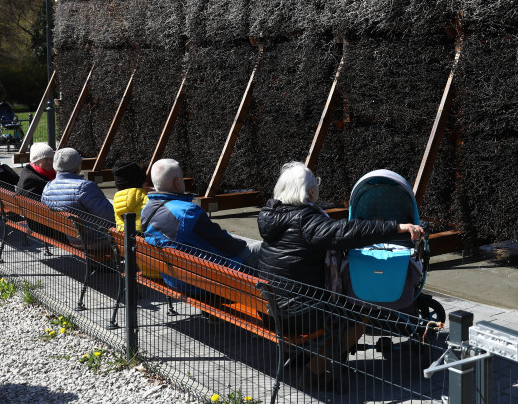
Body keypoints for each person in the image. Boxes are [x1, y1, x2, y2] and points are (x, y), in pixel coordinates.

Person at [257, 161, 424, 389]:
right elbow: (348, 231)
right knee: (359, 313)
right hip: (298, 314)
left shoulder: (271, 215)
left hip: (271, 306)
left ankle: (310, 356)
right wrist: (396, 227)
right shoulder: (307, 221)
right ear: (310, 191)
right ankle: (313, 373)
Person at [141, 159, 257, 269]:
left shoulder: (147, 209)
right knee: (260, 249)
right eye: (182, 177)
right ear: (177, 182)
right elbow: (223, 243)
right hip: (208, 280)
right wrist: (242, 244)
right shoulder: (188, 213)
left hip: (174, 278)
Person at [41, 148, 115, 248]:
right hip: (96, 240)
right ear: (78, 165)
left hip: (71, 238)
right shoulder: (85, 187)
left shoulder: (48, 187)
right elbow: (109, 216)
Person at [113, 161, 149, 231]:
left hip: (123, 240)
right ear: (142, 183)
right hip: (142, 239)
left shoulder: (117, 201)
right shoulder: (148, 201)